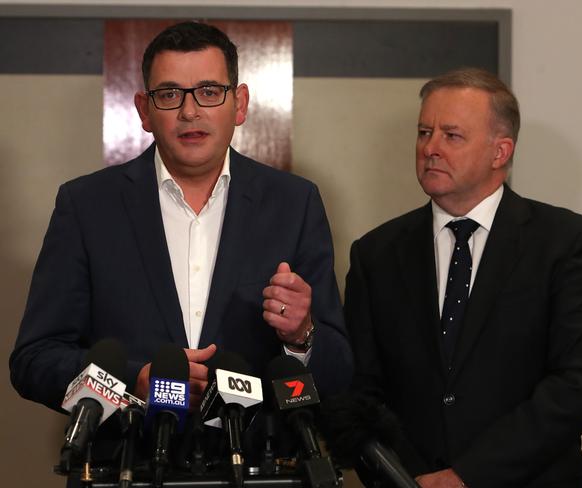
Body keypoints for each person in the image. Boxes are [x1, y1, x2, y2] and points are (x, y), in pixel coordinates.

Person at [10, 21, 351, 437]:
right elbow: (34, 360)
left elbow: (339, 372)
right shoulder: (86, 206)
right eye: (169, 94)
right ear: (143, 110)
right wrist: (128, 385)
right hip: (126, 466)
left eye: (209, 91)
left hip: (259, 465)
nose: (190, 111)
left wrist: (302, 337)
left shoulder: (294, 203)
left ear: (239, 104)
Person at [344, 68, 582, 488]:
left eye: (451, 136)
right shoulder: (375, 254)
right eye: (423, 132)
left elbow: (576, 386)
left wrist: (467, 476)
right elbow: (362, 393)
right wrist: (410, 478)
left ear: (500, 151)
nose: (430, 148)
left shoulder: (567, 244)